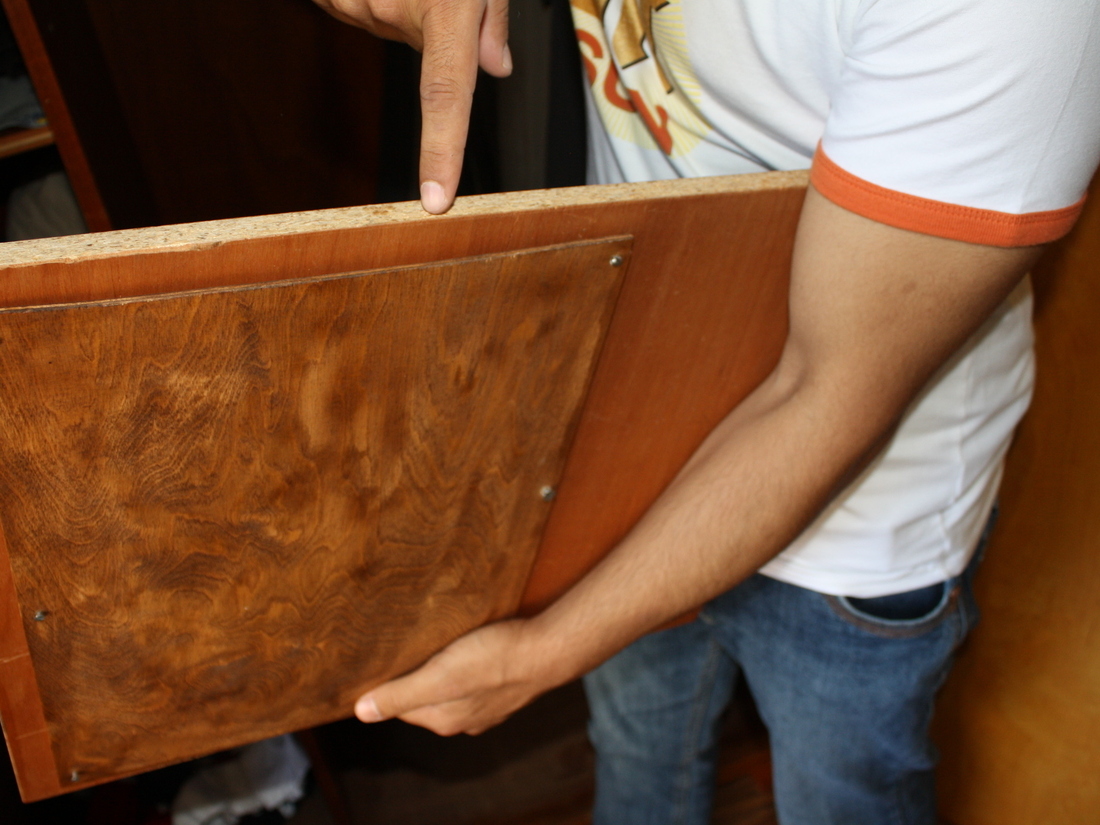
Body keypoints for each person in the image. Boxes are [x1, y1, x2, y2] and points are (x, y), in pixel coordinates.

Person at [313, 0, 1100, 822]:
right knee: (636, 759)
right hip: (636, 435)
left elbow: (826, 393)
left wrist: (543, 653)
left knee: (841, 800)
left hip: (861, 524)